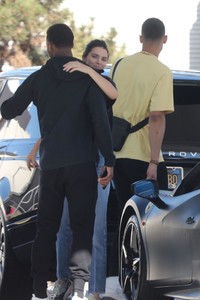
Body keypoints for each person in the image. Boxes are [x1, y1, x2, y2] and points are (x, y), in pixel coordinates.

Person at [0, 24, 115, 300]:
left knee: (46, 228)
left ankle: (40, 286)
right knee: (82, 227)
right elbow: (100, 122)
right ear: (72, 44)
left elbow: (10, 109)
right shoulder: (87, 78)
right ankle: (78, 287)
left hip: (50, 166)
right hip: (82, 166)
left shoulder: (39, 78)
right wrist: (108, 160)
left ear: (50, 45)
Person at [109, 17, 174, 276]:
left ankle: (121, 275)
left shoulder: (120, 64)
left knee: (124, 219)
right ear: (165, 40)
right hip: (143, 158)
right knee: (153, 225)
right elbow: (157, 117)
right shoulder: (161, 71)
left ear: (140, 38)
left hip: (117, 154)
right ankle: (149, 281)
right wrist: (154, 162)